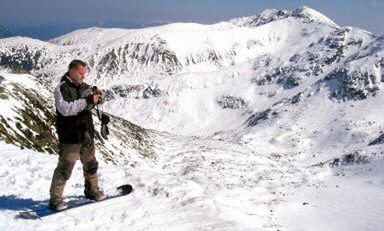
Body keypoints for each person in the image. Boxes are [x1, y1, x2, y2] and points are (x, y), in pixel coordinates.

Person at [49, 59, 105, 211]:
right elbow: (65, 109)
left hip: (85, 132)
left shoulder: (85, 87)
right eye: (81, 73)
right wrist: (88, 100)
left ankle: (92, 190)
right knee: (65, 168)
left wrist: (97, 98)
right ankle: (55, 199)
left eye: (84, 73)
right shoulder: (62, 88)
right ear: (71, 71)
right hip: (71, 134)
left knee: (91, 163)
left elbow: (89, 105)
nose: (83, 77)